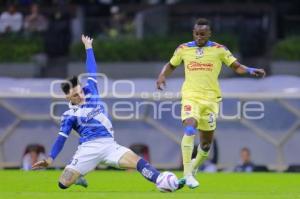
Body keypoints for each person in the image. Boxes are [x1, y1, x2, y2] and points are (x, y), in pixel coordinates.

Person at [33, 35, 185, 190]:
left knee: (137, 161)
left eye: (80, 91)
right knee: (63, 183)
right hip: (88, 149)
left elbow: (92, 69)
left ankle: (163, 181)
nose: (80, 96)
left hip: (109, 145)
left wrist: (88, 48)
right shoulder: (68, 116)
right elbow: (61, 139)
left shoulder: (90, 89)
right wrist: (50, 159)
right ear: (67, 97)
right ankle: (78, 175)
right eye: (75, 95)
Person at [156, 18, 266, 188]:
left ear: (209, 33)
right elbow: (171, 65)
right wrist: (162, 75)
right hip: (190, 96)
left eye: (203, 34)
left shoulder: (219, 50)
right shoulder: (183, 49)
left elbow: (235, 66)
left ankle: (193, 168)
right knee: (190, 126)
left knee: (206, 144)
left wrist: (251, 70)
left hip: (211, 100)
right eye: (197, 33)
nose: (199, 36)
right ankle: (186, 174)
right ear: (193, 33)